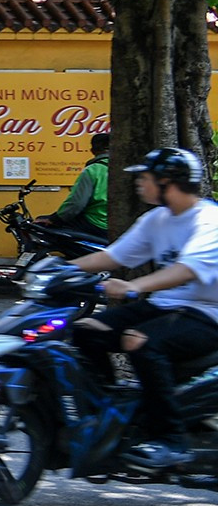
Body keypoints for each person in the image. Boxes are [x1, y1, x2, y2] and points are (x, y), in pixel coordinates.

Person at [68, 147, 218, 470]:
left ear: (167, 182)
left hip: (207, 313)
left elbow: (187, 270)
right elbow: (113, 256)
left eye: (146, 178)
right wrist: (60, 271)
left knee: (142, 341)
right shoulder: (156, 219)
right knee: (85, 331)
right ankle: (117, 412)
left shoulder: (209, 220)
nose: (139, 184)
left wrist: (135, 286)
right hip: (166, 307)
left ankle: (171, 439)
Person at [41, 132, 111, 237]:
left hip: (96, 223)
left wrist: (55, 219)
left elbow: (76, 204)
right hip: (121, 225)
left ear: (93, 151)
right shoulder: (128, 169)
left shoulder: (92, 170)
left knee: (44, 225)